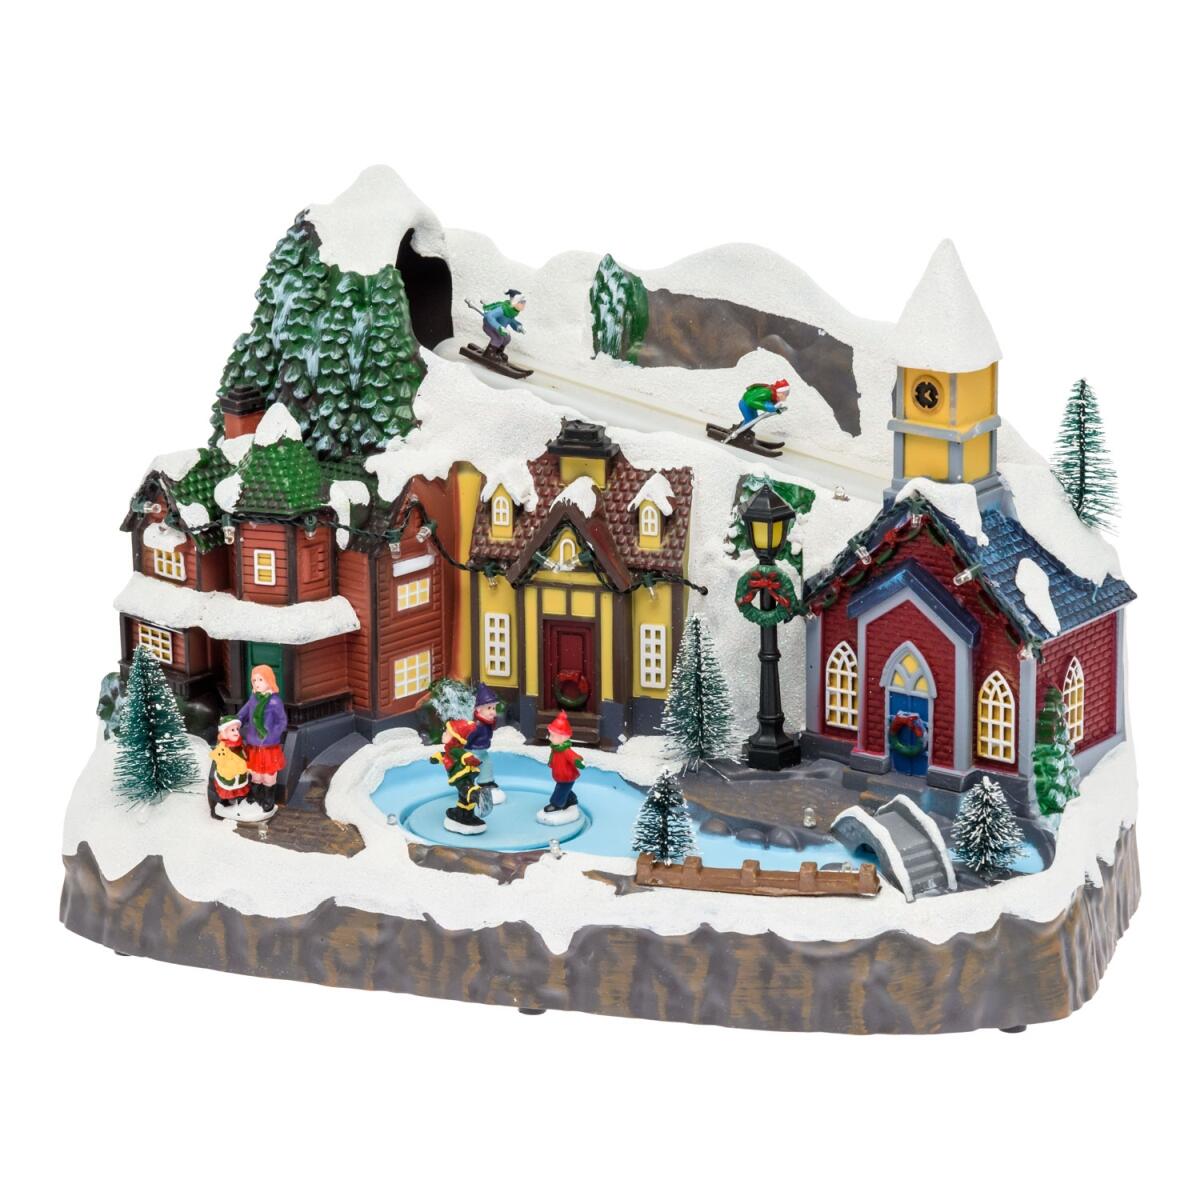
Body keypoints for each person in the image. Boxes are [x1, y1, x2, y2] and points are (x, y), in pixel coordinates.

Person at [236, 665, 288, 809]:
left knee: (268, 775)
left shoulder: (275, 701)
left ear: (269, 681)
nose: (257, 683)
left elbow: (282, 721)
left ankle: (268, 797)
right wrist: (236, 721)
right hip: (253, 743)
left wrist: (272, 735)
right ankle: (254, 794)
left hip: (268, 745)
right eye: (254, 680)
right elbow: (243, 713)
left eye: (261, 680)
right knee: (255, 774)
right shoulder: (253, 699)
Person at [436, 718, 486, 834]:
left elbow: (463, 755)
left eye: (447, 733)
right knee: (463, 797)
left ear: (455, 738)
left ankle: (476, 794)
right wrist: (436, 757)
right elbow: (445, 757)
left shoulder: (454, 750)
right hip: (465, 773)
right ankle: (464, 813)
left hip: (460, 774)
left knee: (464, 788)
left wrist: (471, 759)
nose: (443, 734)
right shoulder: (449, 751)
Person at [537, 710, 585, 826]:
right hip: (560, 775)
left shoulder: (565, 750)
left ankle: (556, 804)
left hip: (567, 777)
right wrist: (551, 763)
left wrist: (579, 762)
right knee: (564, 789)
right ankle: (571, 799)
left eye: (553, 735)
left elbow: (574, 757)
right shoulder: (555, 749)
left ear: (563, 737)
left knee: (560, 790)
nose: (550, 738)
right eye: (550, 735)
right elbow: (553, 758)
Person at [465, 683, 506, 805]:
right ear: (479, 709)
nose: (492, 712)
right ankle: (467, 787)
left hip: (482, 751)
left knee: (487, 764)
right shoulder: (477, 725)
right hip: (473, 751)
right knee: (471, 769)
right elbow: (468, 738)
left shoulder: (487, 723)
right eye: (489, 708)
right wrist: (465, 748)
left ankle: (486, 781)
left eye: (493, 708)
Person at [207, 717, 252, 820]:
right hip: (227, 777)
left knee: (240, 792)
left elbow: (245, 755)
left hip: (240, 777)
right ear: (224, 733)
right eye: (232, 730)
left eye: (237, 729)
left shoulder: (240, 744)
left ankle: (238, 808)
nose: (236, 732)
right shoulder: (223, 747)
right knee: (222, 793)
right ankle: (219, 809)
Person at [481, 290, 526, 361]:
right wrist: (499, 327)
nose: (523, 305)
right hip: (490, 326)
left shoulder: (511, 311)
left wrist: (518, 327)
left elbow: (511, 320)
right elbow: (489, 316)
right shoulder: (502, 309)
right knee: (498, 338)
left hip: (499, 329)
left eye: (523, 302)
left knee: (507, 338)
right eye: (521, 302)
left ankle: (497, 352)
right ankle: (489, 354)